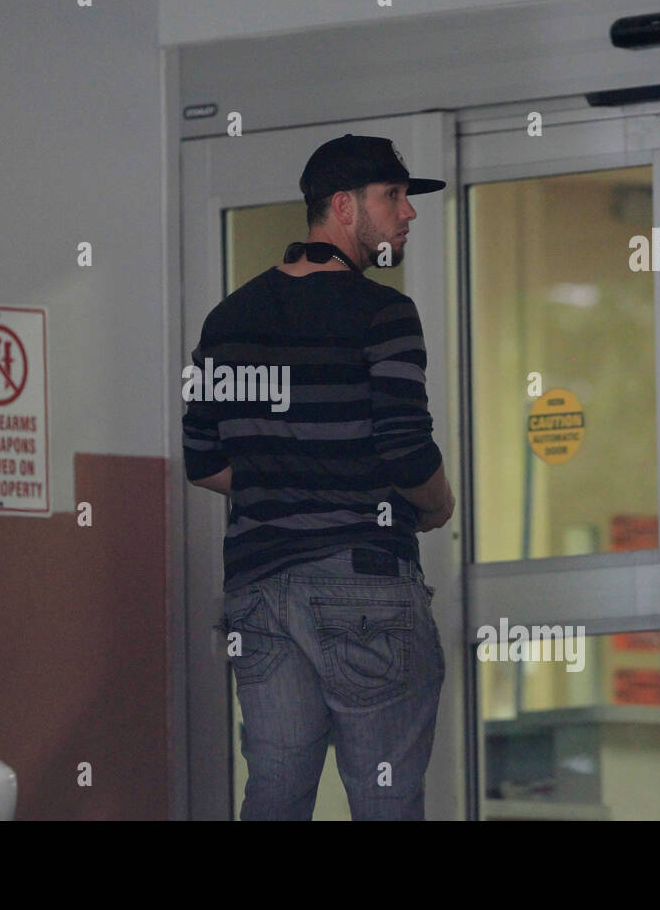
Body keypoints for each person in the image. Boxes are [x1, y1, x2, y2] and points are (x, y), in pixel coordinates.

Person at [182, 134, 455, 820]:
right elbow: (404, 448)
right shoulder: (383, 314)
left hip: (260, 595)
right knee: (385, 797)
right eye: (393, 197)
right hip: (364, 587)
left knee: (274, 794)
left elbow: (204, 461)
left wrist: (285, 486)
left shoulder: (227, 321)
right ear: (342, 206)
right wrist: (437, 506)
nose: (407, 214)